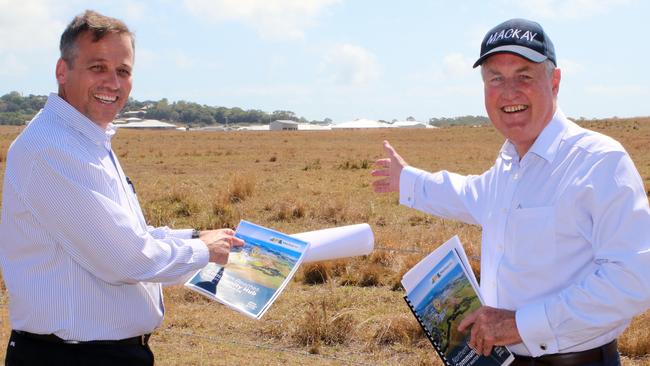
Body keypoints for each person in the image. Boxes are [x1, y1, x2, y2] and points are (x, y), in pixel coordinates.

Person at [372, 18, 650, 366]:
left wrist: (518, 325)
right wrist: (408, 180)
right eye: (495, 78)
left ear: (555, 81)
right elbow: (467, 193)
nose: (509, 92)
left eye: (524, 76)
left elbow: (634, 280)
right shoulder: (508, 165)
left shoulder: (599, 161)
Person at [0, 10, 244, 366]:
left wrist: (196, 235)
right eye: (98, 67)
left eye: (123, 71)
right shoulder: (53, 148)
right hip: (72, 357)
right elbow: (127, 258)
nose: (113, 83)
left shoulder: (84, 140)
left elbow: (128, 234)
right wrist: (204, 251)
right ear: (62, 71)